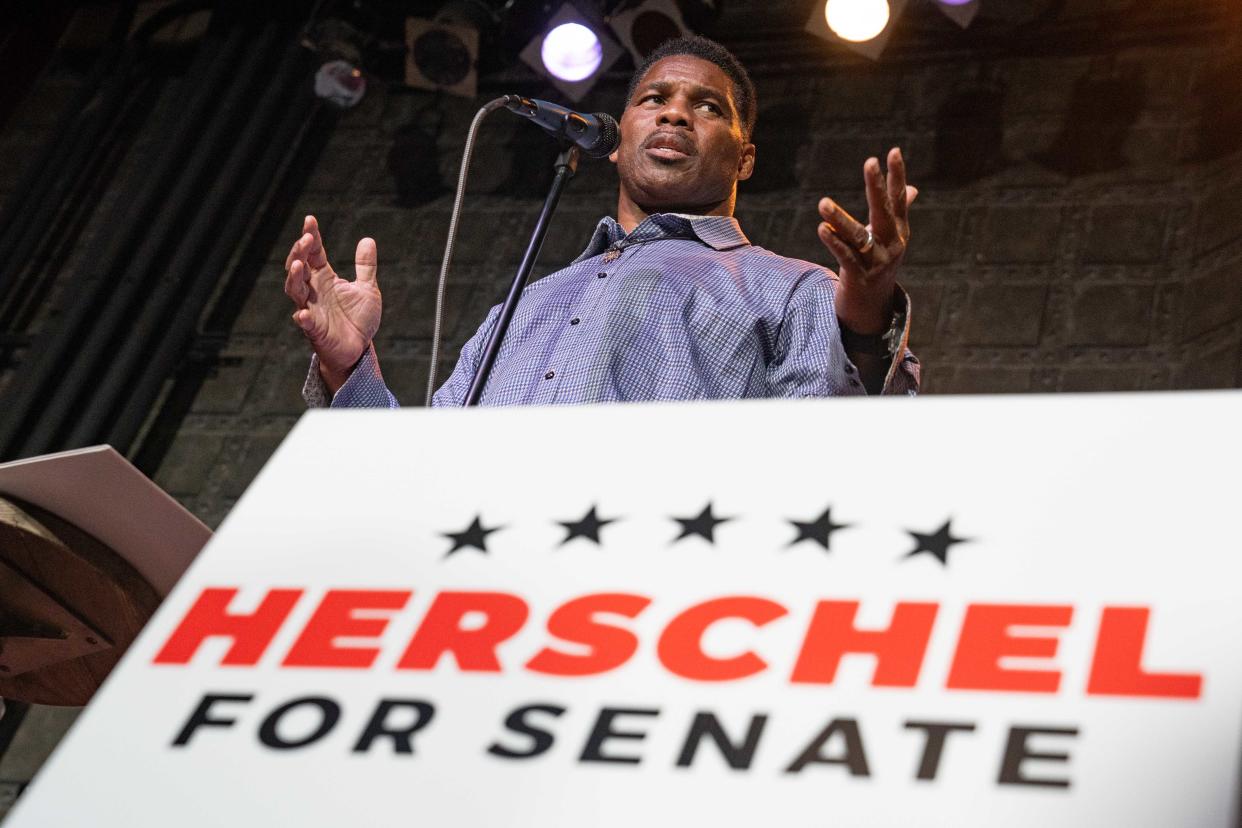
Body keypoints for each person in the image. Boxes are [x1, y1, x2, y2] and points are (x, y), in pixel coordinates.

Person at [285, 36, 919, 407]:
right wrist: (348, 364)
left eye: (706, 107)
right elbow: (421, 475)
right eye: (653, 100)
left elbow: (830, 449)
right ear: (615, 142)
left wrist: (866, 306)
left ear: (745, 157)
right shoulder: (527, 303)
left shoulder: (795, 289)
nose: (674, 116)